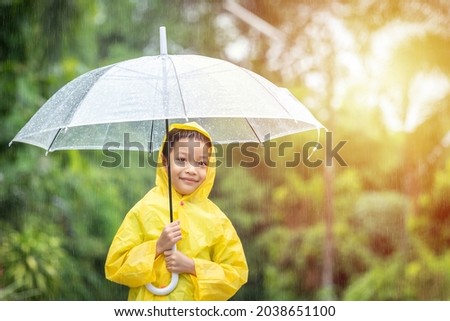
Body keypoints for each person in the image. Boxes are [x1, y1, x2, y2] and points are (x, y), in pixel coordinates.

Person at [104, 121, 248, 300]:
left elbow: (236, 273)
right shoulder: (145, 209)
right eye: (181, 160)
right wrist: (156, 247)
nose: (191, 170)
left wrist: (192, 266)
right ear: (165, 162)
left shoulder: (216, 219)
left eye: (201, 163)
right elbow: (116, 266)